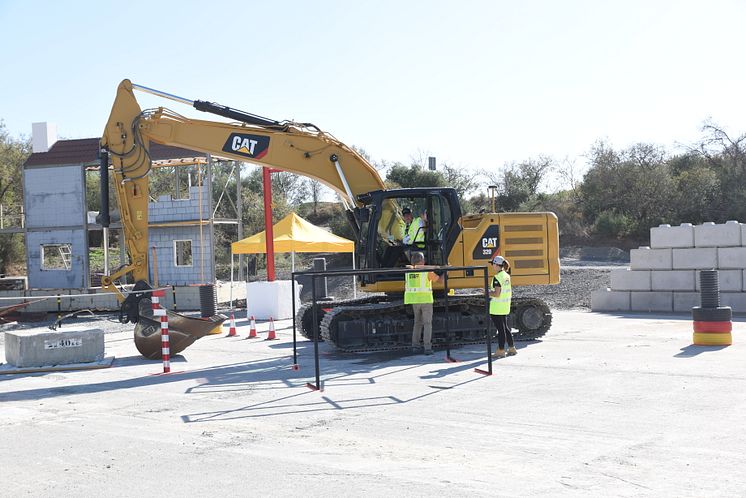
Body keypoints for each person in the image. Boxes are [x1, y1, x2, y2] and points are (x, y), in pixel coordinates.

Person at [405, 251, 442, 355]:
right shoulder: (427, 272)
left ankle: (415, 346)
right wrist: (446, 272)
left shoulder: (408, 271)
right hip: (425, 300)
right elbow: (440, 281)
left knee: (417, 323)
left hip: (414, 301)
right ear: (422, 261)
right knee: (427, 324)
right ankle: (427, 348)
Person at [489, 255, 517, 358]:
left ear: (496, 265)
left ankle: (501, 350)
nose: (492, 265)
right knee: (505, 328)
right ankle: (511, 348)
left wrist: (486, 292)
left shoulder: (497, 277)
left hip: (497, 308)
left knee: (501, 330)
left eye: (493, 264)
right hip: (504, 306)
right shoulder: (506, 275)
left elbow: (496, 294)